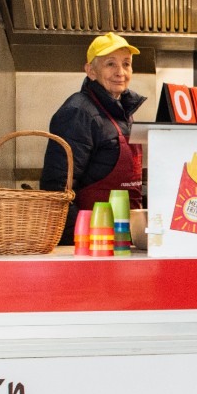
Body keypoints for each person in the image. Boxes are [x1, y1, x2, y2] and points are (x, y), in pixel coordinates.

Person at [40, 32, 148, 245]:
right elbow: (57, 188)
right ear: (90, 71)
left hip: (121, 238)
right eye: (110, 64)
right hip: (91, 242)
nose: (120, 72)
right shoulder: (78, 112)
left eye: (126, 64)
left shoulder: (123, 112)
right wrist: (81, 241)